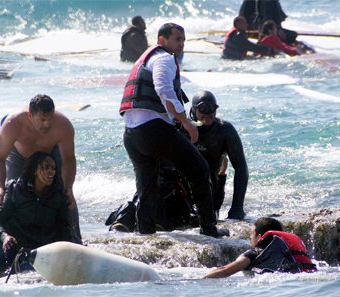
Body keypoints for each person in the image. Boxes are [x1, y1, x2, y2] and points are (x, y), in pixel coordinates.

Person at [119, 22, 228, 238]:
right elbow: (164, 89)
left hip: (132, 134)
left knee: (147, 185)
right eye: (177, 39)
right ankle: (208, 228)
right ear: (162, 40)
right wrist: (185, 122)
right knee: (199, 169)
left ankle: (146, 232)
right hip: (153, 130)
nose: (181, 44)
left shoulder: (147, 58)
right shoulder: (164, 58)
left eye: (183, 40)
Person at [0, 152, 76, 282]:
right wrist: (4, 237)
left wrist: (73, 252)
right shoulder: (16, 189)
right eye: (46, 167)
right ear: (35, 170)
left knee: (21, 274)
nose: (51, 172)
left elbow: (65, 227)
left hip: (37, 250)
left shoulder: (58, 195)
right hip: (10, 244)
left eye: (53, 168)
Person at [0, 94, 81, 244]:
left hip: (50, 155)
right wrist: (0, 188)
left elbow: (69, 160)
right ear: (30, 116)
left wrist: (69, 188)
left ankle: (75, 242)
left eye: (50, 119)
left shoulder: (63, 126)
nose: (46, 125)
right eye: (42, 120)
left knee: (65, 198)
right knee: (10, 197)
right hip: (19, 157)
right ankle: (5, 242)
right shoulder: (13, 123)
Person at [189, 91, 248, 220]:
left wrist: (237, 208)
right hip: (186, 191)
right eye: (202, 108)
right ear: (193, 110)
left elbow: (241, 168)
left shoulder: (224, 130)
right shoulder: (184, 128)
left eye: (212, 108)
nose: (208, 113)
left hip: (212, 192)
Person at [202, 217, 317, 278]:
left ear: (259, 237)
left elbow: (226, 271)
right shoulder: (287, 250)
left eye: (252, 234)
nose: (250, 237)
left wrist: (199, 282)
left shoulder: (256, 252)